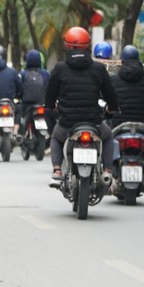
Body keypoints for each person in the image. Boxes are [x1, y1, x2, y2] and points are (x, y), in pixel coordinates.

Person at [45, 26, 119, 187]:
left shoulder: (60, 68)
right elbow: (111, 95)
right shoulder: (98, 69)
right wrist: (112, 108)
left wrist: (51, 106)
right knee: (108, 137)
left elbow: (50, 96)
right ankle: (107, 170)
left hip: (67, 124)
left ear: (67, 46)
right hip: (94, 124)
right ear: (88, 45)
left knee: (56, 138)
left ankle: (57, 170)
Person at [109, 45, 144, 174]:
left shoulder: (114, 79)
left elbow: (108, 99)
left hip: (118, 124)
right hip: (141, 125)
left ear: (121, 61)